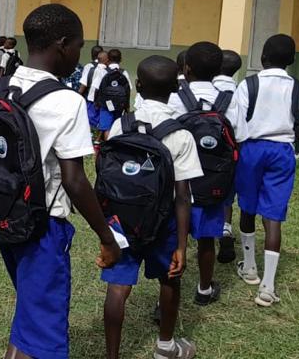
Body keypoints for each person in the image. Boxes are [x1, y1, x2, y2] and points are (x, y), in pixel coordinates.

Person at [0, 3, 120, 359]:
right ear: (62, 44)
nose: (78, 55)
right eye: (78, 47)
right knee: (44, 331)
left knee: (31, 315)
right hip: (43, 230)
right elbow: (74, 180)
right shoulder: (68, 101)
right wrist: (107, 237)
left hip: (5, 219)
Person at [102, 55, 200, 359]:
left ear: (138, 85)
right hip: (164, 220)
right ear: (174, 88)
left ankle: (112, 356)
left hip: (122, 219)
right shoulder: (181, 134)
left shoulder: (121, 123)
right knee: (170, 279)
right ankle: (165, 346)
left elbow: (107, 173)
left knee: (117, 287)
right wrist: (181, 245)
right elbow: (182, 195)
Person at [234, 34, 299, 307]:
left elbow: (236, 122)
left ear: (262, 57)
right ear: (292, 60)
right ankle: (267, 287)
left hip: (252, 149)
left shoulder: (248, 84)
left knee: (247, 207)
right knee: (273, 215)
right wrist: (293, 133)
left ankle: (250, 268)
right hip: (282, 151)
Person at [168, 42, 248, 305]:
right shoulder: (229, 99)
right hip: (212, 182)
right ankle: (204, 289)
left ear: (186, 68)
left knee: (172, 240)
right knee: (205, 241)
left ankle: (165, 297)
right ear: (217, 71)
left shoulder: (175, 96)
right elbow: (240, 137)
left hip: (177, 184)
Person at [215, 48, 242, 261]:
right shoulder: (240, 92)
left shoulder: (201, 90)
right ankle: (225, 229)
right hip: (229, 152)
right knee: (226, 196)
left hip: (200, 154)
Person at [95, 49, 131, 140]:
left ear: (108, 59)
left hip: (105, 104)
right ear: (121, 59)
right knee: (116, 126)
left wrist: (97, 102)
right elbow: (128, 90)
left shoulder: (103, 71)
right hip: (119, 105)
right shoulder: (123, 72)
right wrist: (127, 107)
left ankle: (107, 146)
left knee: (106, 127)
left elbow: (96, 88)